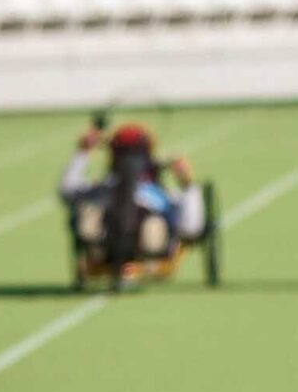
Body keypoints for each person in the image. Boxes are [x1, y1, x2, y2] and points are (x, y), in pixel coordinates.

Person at [57, 119, 206, 278]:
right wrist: (188, 185)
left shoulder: (104, 191)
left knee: (150, 227)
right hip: (119, 244)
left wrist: (82, 152)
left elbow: (68, 191)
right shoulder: (155, 194)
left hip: (145, 242)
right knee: (89, 218)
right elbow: (191, 227)